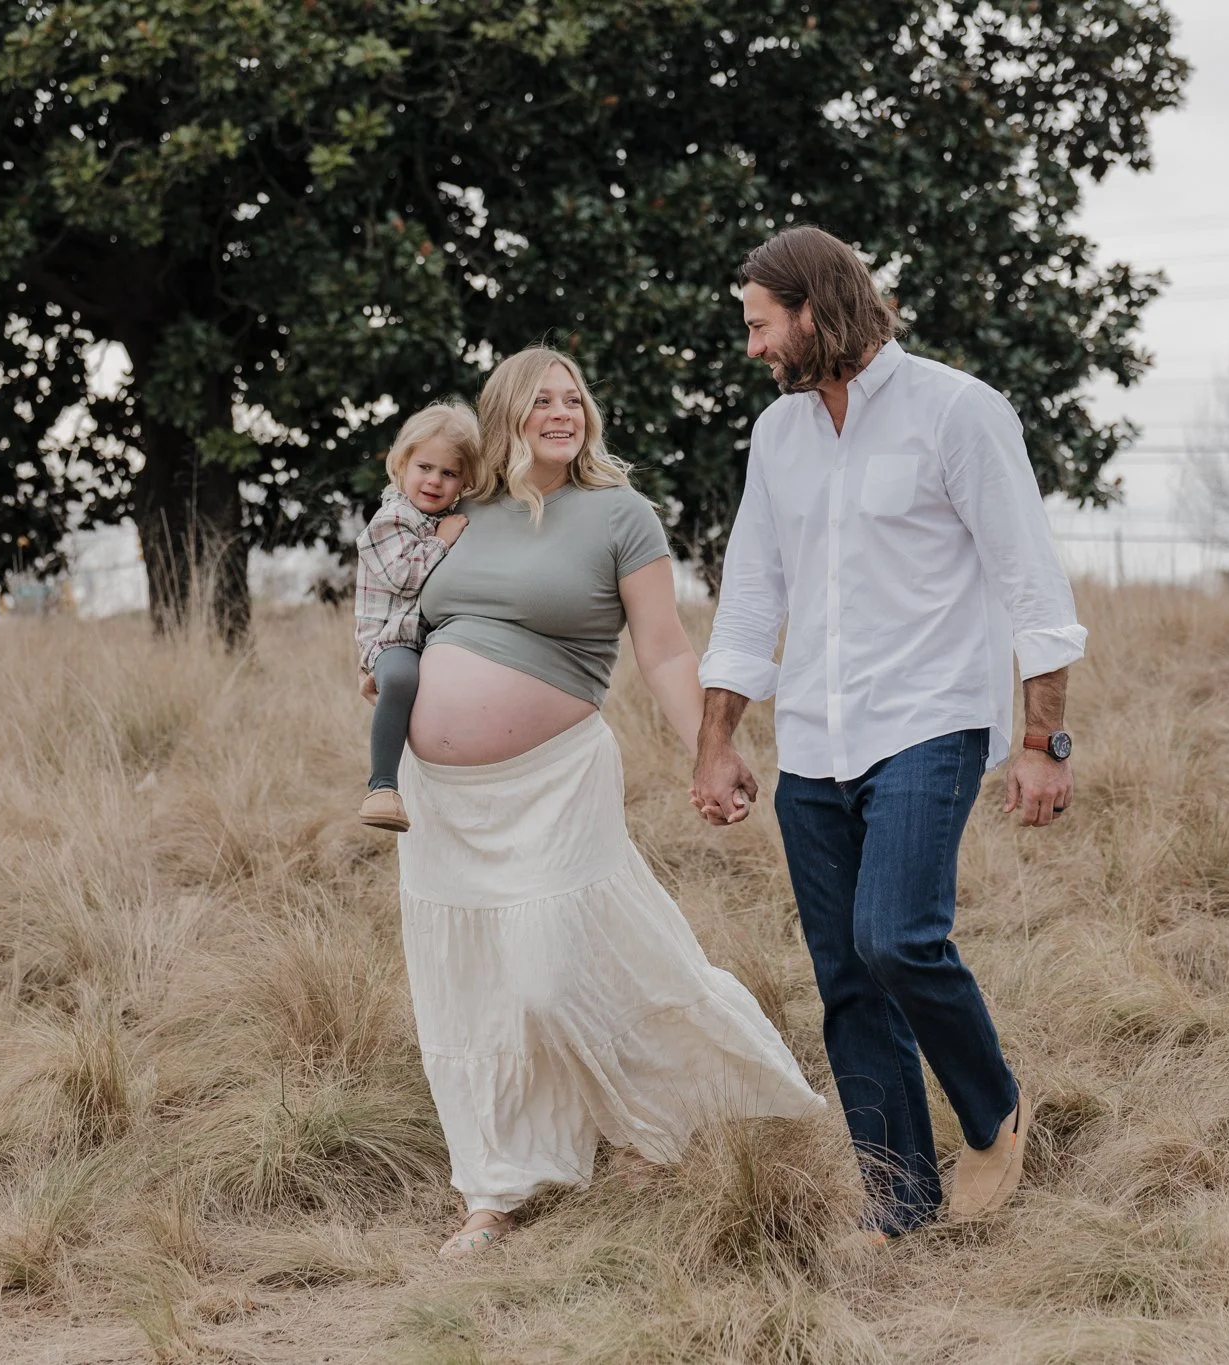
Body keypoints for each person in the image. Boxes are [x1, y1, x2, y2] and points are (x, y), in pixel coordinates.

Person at [690, 226, 1086, 1240]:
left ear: (812, 311)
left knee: (896, 939)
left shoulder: (955, 410)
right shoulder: (775, 437)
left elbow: (1029, 583)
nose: (751, 349)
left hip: (929, 720)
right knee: (843, 978)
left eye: (758, 325)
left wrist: (1043, 742)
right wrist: (716, 737)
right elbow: (749, 596)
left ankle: (992, 1109)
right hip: (813, 738)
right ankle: (897, 1200)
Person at [395, 345, 824, 1259]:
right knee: (472, 993)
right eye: (543, 400)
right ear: (507, 412)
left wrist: (711, 748)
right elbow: (399, 615)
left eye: (574, 398)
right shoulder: (458, 514)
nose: (563, 412)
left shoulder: (620, 516)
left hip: (553, 782)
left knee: (549, 978)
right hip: (442, 802)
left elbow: (665, 649)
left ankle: (652, 1120)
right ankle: (494, 1185)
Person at [352, 403, 485, 832]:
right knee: (403, 680)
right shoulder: (391, 519)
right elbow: (404, 578)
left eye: (449, 474)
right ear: (402, 464)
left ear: (464, 481)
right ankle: (382, 787)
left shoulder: (444, 518)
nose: (434, 480)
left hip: (425, 637)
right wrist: (443, 543)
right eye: (425, 467)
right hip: (392, 638)